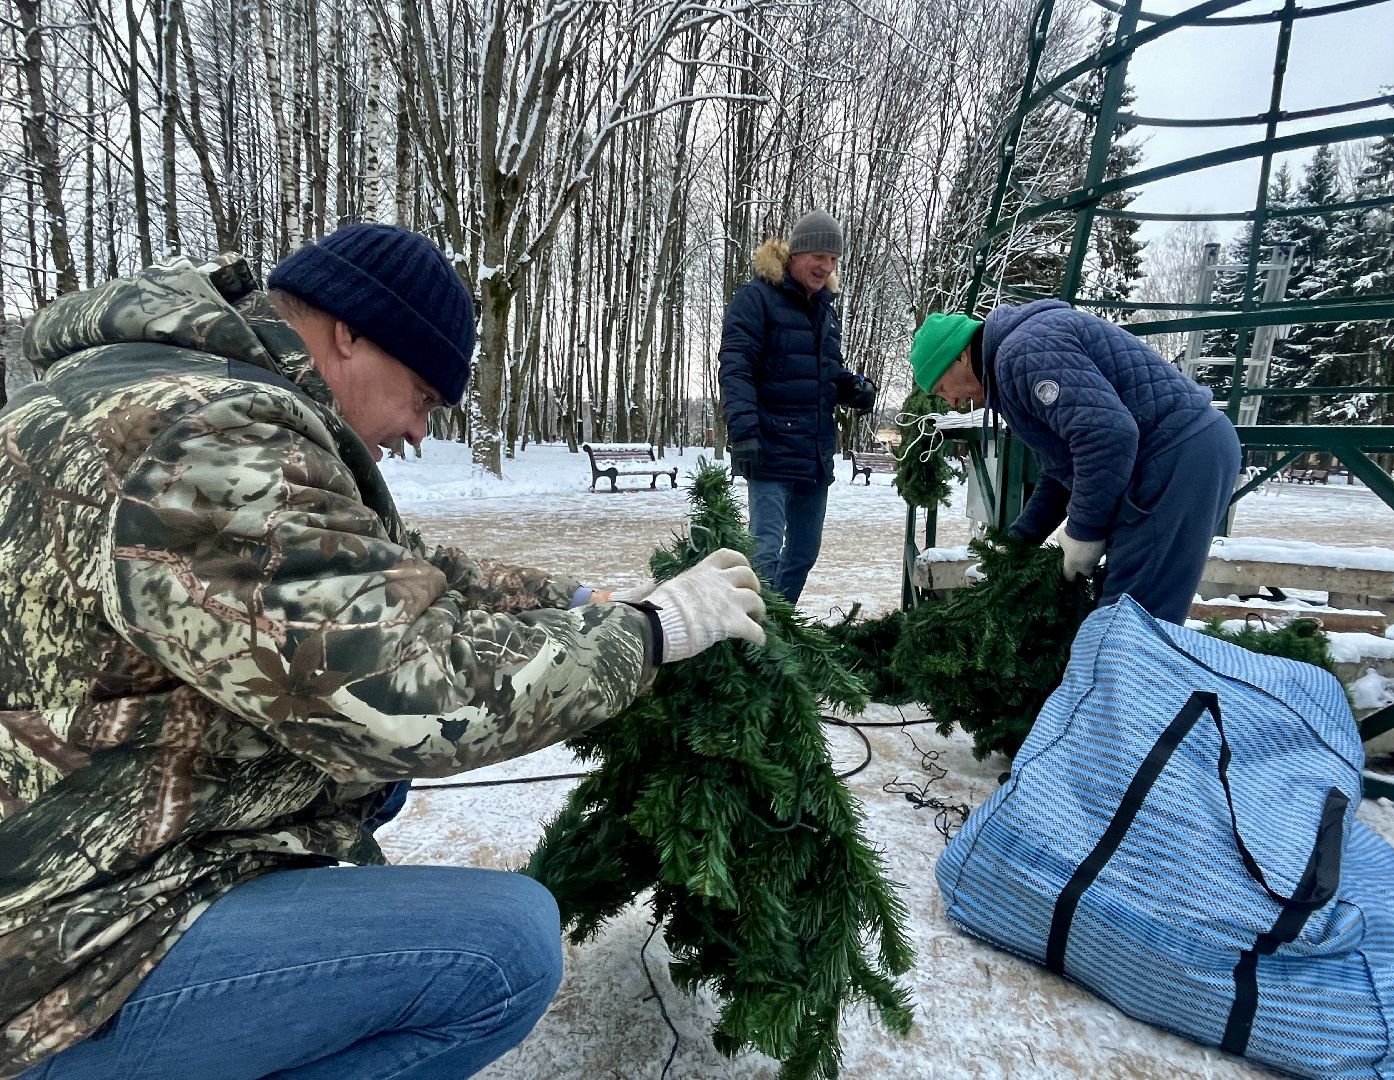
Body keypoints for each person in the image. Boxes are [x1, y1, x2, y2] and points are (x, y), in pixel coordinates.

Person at [0, 223, 767, 1080]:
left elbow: (395, 570)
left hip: (78, 834)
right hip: (63, 952)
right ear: (352, 331)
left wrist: (581, 602)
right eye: (424, 397)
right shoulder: (204, 438)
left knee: (372, 790)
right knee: (504, 948)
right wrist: (652, 633)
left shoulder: (171, 389)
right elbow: (403, 695)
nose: (413, 432)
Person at [908, 299, 1242, 625]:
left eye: (941, 388)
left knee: (1133, 626)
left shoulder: (1022, 353)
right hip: (1176, 454)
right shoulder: (1010, 365)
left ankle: (1131, 680)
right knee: (1119, 616)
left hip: (1178, 457)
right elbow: (1059, 471)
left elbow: (1108, 436)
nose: (951, 402)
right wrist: (1016, 544)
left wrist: (1083, 532)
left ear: (962, 356)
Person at [719, 210, 877, 605]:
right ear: (795, 254)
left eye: (834, 260)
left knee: (804, 553)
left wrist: (851, 387)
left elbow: (823, 373)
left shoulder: (825, 308)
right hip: (769, 448)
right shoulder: (756, 299)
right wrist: (744, 434)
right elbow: (736, 369)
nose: (826, 267)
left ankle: (779, 626)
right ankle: (755, 635)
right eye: (819, 256)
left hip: (813, 453)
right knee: (765, 551)